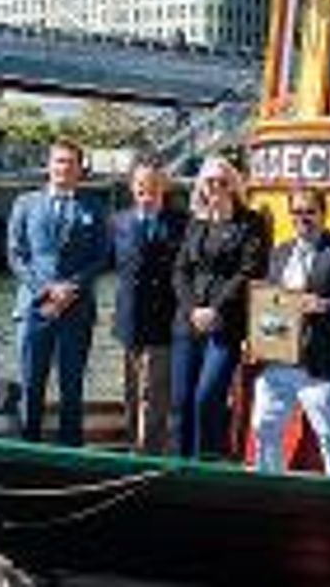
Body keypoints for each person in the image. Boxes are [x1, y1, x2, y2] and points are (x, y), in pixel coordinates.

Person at [250, 188, 330, 477]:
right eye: (297, 213)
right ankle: (270, 490)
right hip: (279, 360)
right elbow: (268, 302)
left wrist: (325, 304)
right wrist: (255, 338)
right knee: (264, 428)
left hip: (322, 364)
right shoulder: (280, 252)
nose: (303, 219)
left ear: (323, 213)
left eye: (309, 212)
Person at [7, 138, 108, 446]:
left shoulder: (94, 207)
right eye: (59, 161)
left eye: (71, 162)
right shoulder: (25, 204)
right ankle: (28, 445)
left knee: (71, 384)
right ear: (49, 166)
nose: (64, 167)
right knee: (31, 383)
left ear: (80, 170)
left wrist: (71, 289)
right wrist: (47, 290)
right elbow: (16, 255)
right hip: (34, 308)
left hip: (76, 310)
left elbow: (101, 257)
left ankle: (70, 450)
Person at [171, 154, 269, 459]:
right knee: (182, 400)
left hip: (224, 325)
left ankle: (206, 463)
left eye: (223, 181)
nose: (216, 187)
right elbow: (180, 270)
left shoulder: (250, 223)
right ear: (201, 186)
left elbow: (250, 270)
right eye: (210, 181)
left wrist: (216, 309)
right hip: (189, 322)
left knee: (207, 398)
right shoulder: (196, 222)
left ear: (233, 184)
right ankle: (178, 465)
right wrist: (192, 309)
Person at [109, 155, 187, 454]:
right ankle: (132, 443)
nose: (148, 190)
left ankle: (150, 452)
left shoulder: (181, 223)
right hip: (129, 319)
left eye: (154, 184)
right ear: (132, 186)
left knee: (155, 393)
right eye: (142, 184)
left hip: (164, 319)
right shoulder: (118, 221)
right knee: (131, 390)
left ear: (163, 186)